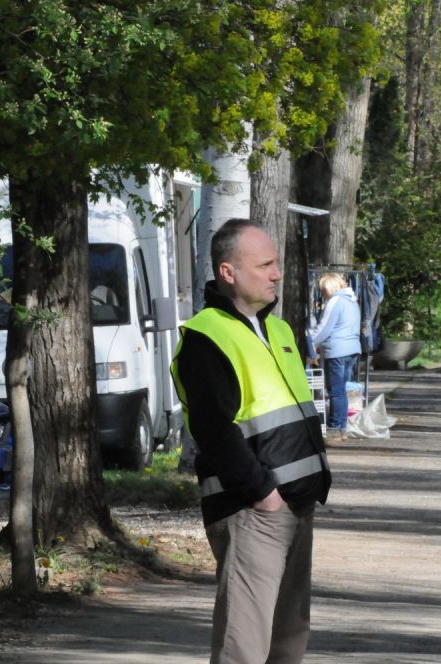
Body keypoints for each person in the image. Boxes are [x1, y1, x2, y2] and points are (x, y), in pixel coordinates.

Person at [171, 219, 331, 664]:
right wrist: (263, 494)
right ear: (228, 272)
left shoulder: (277, 331)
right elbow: (213, 430)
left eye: (275, 263)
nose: (276, 273)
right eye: (264, 265)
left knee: (288, 635)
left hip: (296, 503)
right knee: (244, 644)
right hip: (251, 509)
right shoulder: (206, 337)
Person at [310, 273, 361, 443]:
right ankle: (342, 428)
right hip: (353, 349)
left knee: (335, 392)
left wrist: (310, 343)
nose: (322, 294)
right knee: (342, 391)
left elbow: (324, 328)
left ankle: (333, 430)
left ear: (329, 287)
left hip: (337, 350)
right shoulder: (352, 301)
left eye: (323, 290)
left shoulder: (335, 301)